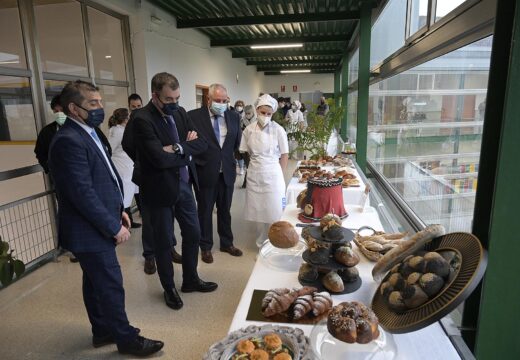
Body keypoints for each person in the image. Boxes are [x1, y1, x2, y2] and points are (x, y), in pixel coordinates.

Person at [48, 80, 163, 356]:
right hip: (89, 229)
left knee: (95, 281)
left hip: (100, 221)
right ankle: (126, 339)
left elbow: (104, 176)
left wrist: (119, 210)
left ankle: (102, 330)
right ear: (74, 108)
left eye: (100, 101)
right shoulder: (68, 141)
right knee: (110, 282)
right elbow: (82, 193)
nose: (101, 108)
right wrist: (112, 226)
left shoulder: (89, 132)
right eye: (93, 104)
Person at [131, 72, 217, 310]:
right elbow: (157, 159)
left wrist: (178, 147)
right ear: (155, 96)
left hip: (183, 186)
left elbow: (202, 144)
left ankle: (190, 279)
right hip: (158, 190)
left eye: (177, 98)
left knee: (193, 233)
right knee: (163, 242)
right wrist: (184, 151)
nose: (175, 104)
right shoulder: (142, 119)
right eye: (169, 99)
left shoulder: (179, 113)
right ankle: (168, 287)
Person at [35, 94, 111, 264]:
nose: (59, 114)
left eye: (61, 110)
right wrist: (49, 168)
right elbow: (40, 153)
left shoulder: (90, 129)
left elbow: (106, 148)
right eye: (56, 111)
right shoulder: (51, 133)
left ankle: (94, 240)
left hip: (93, 185)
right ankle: (79, 247)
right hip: (67, 184)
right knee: (74, 210)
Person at [123, 98, 182, 275]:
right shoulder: (138, 119)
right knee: (149, 219)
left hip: (168, 174)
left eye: (138, 105)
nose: (136, 108)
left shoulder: (164, 116)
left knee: (168, 216)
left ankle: (170, 247)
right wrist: (143, 159)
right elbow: (128, 144)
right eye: (133, 106)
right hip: (148, 177)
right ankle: (149, 255)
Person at [189, 84, 243, 264]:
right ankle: (205, 246)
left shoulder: (234, 117)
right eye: (217, 100)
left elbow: (235, 144)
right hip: (205, 170)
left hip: (226, 171)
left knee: (225, 210)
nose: (221, 104)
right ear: (208, 99)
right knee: (204, 210)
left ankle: (227, 243)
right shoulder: (193, 117)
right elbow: (189, 144)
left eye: (224, 101)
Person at [240, 94, 289, 247]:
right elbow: (245, 151)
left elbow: (285, 154)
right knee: (258, 210)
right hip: (255, 173)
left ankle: (275, 240)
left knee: (274, 208)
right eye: (263, 112)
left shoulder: (278, 130)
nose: (265, 116)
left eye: (269, 114)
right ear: (257, 109)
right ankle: (261, 242)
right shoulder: (248, 130)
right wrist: (253, 167)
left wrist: (280, 175)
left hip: (273, 173)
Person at [108, 108, 141, 228]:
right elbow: (110, 149)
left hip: (127, 167)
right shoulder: (117, 131)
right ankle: (125, 224)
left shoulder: (121, 130)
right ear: (125, 119)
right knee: (125, 197)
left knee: (128, 196)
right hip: (122, 167)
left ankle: (129, 222)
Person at [239, 105, 255, 189]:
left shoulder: (257, 120)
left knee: (253, 166)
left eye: (249, 113)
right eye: (246, 113)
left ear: (253, 112)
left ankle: (249, 183)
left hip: (256, 146)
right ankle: (246, 183)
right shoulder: (242, 121)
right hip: (245, 146)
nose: (247, 114)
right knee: (249, 165)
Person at [233, 100, 246, 175]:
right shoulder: (233, 114)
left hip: (243, 135)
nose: (239, 107)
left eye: (240, 105)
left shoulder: (245, 115)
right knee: (235, 152)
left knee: (241, 152)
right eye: (237, 105)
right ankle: (238, 166)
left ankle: (242, 167)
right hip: (235, 135)